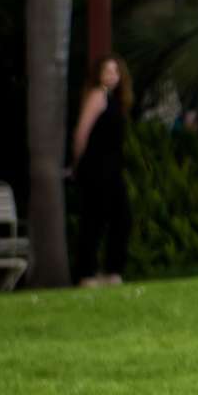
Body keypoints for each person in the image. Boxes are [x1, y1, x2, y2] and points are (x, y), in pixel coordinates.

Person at [69, 55, 133, 287]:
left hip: (112, 168)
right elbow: (81, 133)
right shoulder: (97, 96)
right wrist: (78, 164)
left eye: (115, 71)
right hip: (95, 168)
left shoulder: (117, 101)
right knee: (92, 220)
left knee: (121, 219)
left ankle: (112, 271)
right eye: (107, 71)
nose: (111, 76)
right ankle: (85, 274)